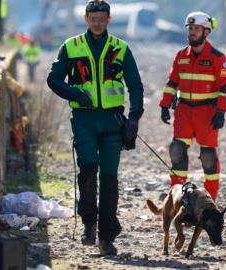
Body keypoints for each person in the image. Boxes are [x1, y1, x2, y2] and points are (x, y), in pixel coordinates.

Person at [46, 0, 144, 256]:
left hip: (112, 121)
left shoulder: (120, 48)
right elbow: (53, 79)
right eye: (94, 18)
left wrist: (134, 118)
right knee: (88, 170)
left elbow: (135, 85)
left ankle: (106, 237)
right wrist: (76, 94)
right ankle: (89, 222)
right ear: (86, 18)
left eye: (102, 18)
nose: (98, 22)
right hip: (84, 120)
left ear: (109, 19)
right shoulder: (71, 46)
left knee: (110, 180)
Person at [159, 11, 226, 200]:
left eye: (196, 29)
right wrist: (164, 105)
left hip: (207, 112)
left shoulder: (218, 58)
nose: (191, 32)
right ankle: (177, 198)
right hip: (184, 111)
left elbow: (225, 89)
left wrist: (220, 112)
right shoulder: (181, 56)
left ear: (206, 32)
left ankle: (210, 200)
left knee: (208, 156)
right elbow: (172, 83)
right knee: (176, 151)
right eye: (190, 28)